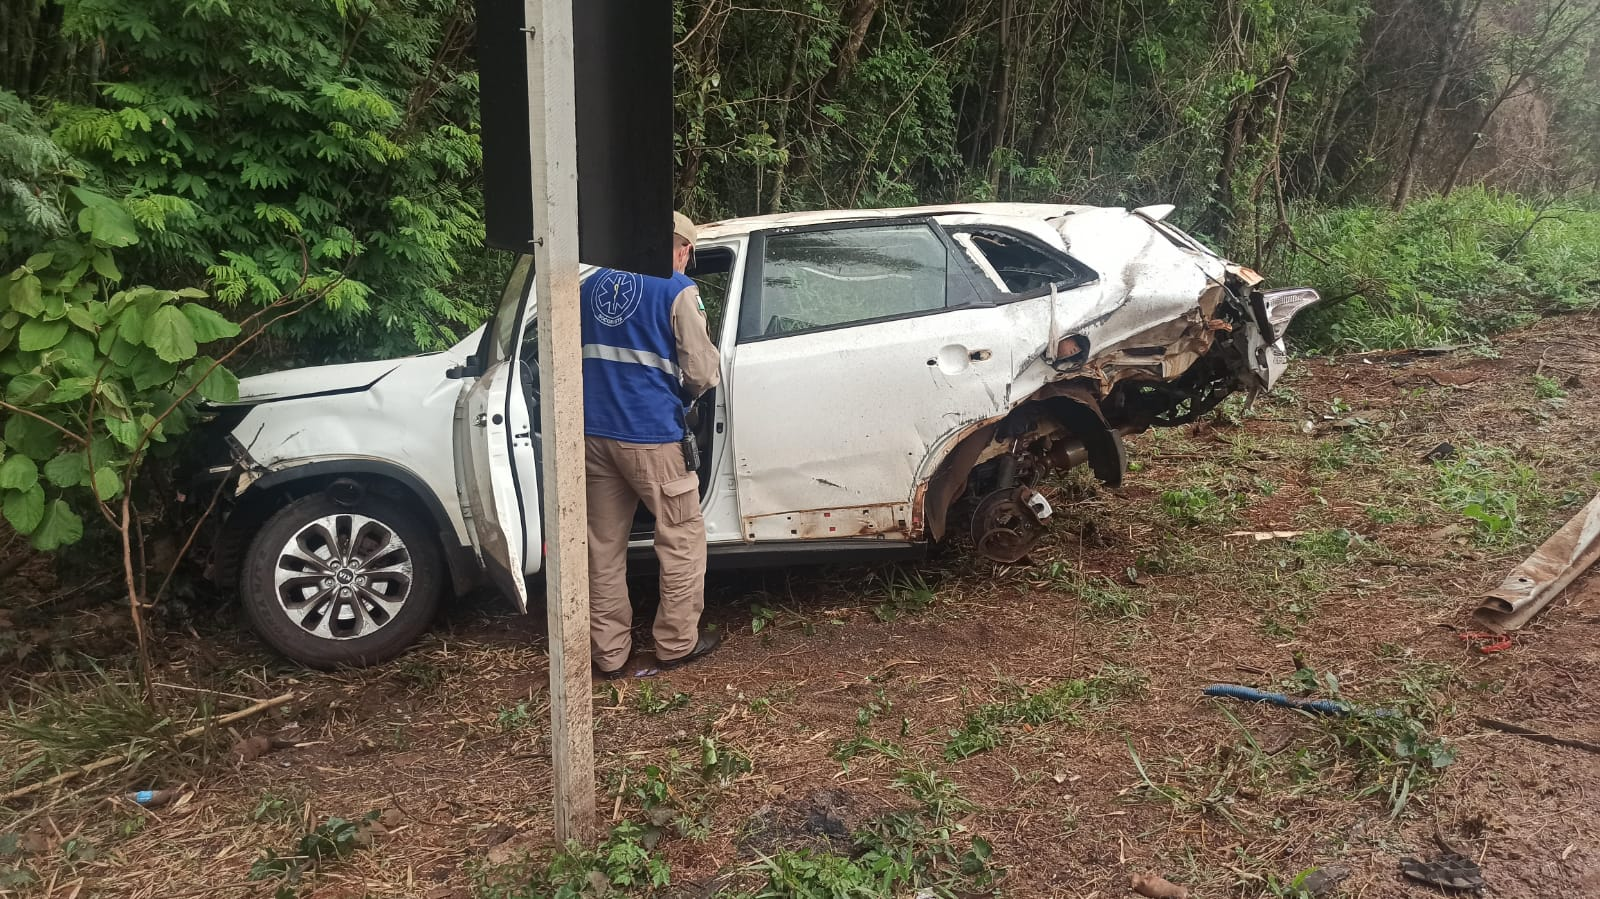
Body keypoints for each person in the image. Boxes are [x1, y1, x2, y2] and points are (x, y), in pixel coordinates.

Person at [581, 211, 722, 679]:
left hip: (593, 436)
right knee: (680, 539)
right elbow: (701, 372)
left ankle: (609, 655)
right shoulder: (676, 289)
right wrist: (684, 395)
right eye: (688, 254)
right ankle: (677, 644)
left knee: (602, 547)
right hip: (651, 438)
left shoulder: (589, 286)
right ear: (683, 249)